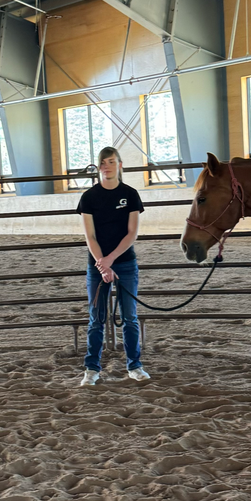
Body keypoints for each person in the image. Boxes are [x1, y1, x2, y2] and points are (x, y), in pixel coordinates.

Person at [77, 146, 150, 386]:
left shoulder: (130, 195)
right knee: (96, 318)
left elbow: (132, 234)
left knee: (130, 316)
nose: (106, 166)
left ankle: (135, 366)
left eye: (111, 162)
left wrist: (110, 260)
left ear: (119, 165)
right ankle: (91, 369)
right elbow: (90, 236)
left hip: (125, 263)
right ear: (99, 167)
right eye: (102, 163)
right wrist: (102, 264)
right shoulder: (89, 197)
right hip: (97, 265)